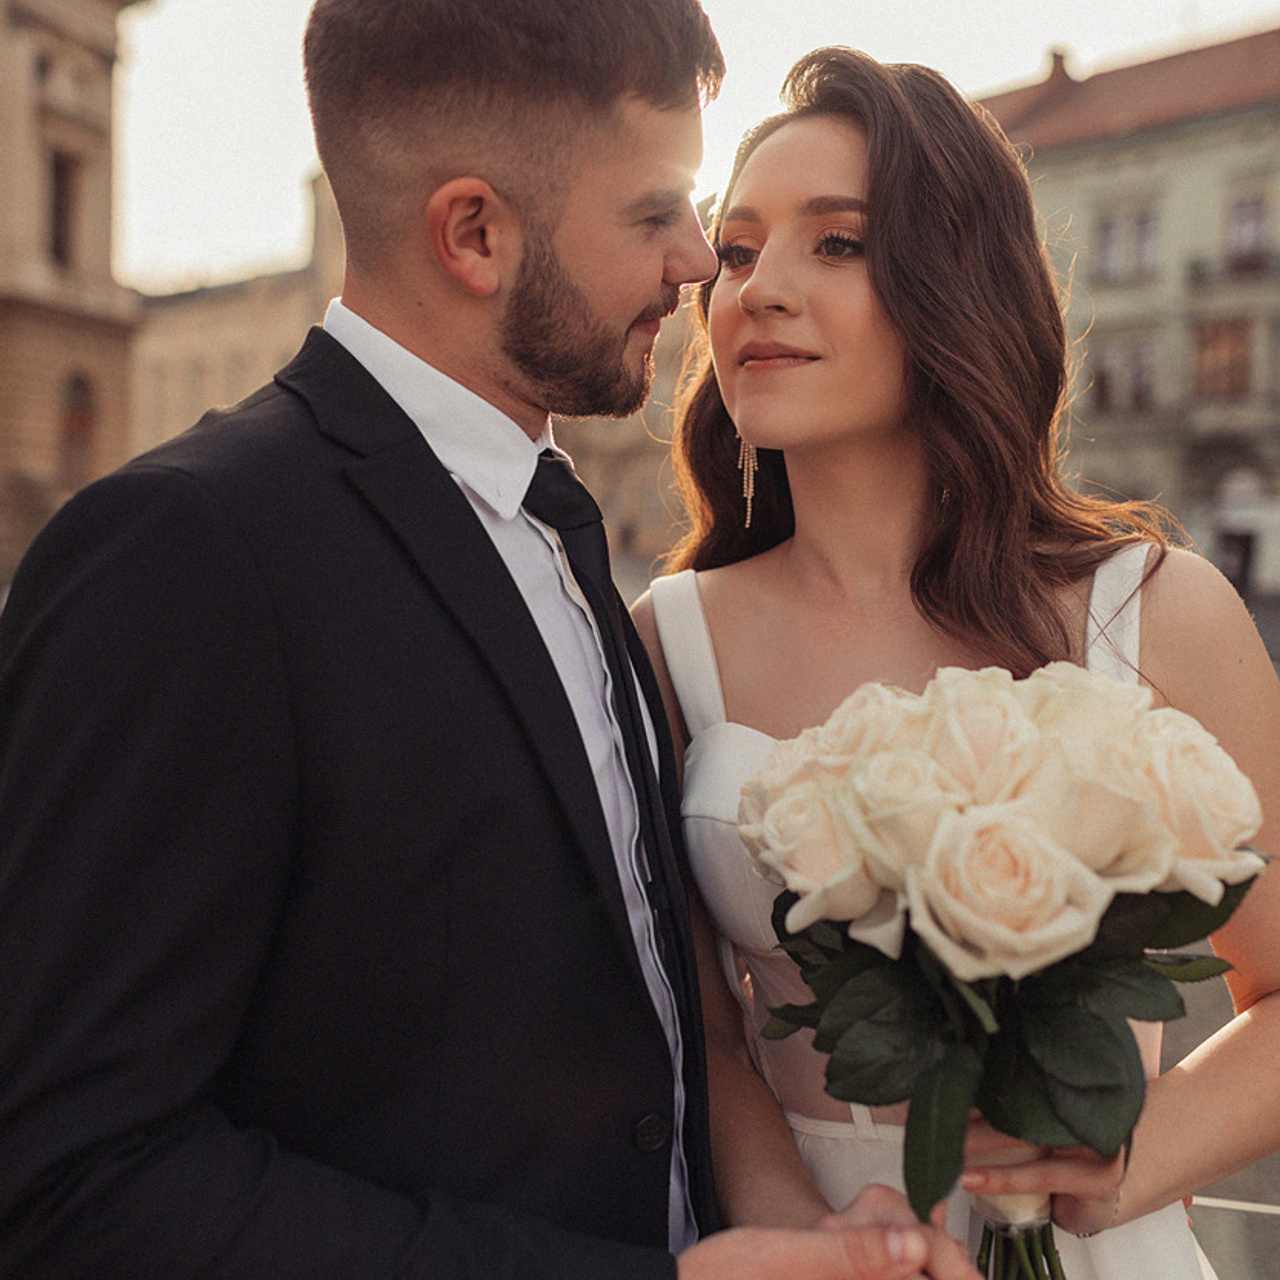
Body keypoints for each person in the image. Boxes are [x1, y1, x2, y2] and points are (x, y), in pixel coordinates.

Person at [0, 5, 983, 1280]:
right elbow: (75, 1180)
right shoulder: (184, 551)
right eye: (653, 214)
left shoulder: (555, 523)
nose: (700, 262)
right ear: (473, 232)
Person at [633, 46, 1280, 1280]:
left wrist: (1125, 1158)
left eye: (835, 243)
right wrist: (819, 1237)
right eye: (737, 248)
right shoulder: (670, 640)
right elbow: (707, 1042)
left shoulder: (1152, 609)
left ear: (953, 285)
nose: (757, 289)